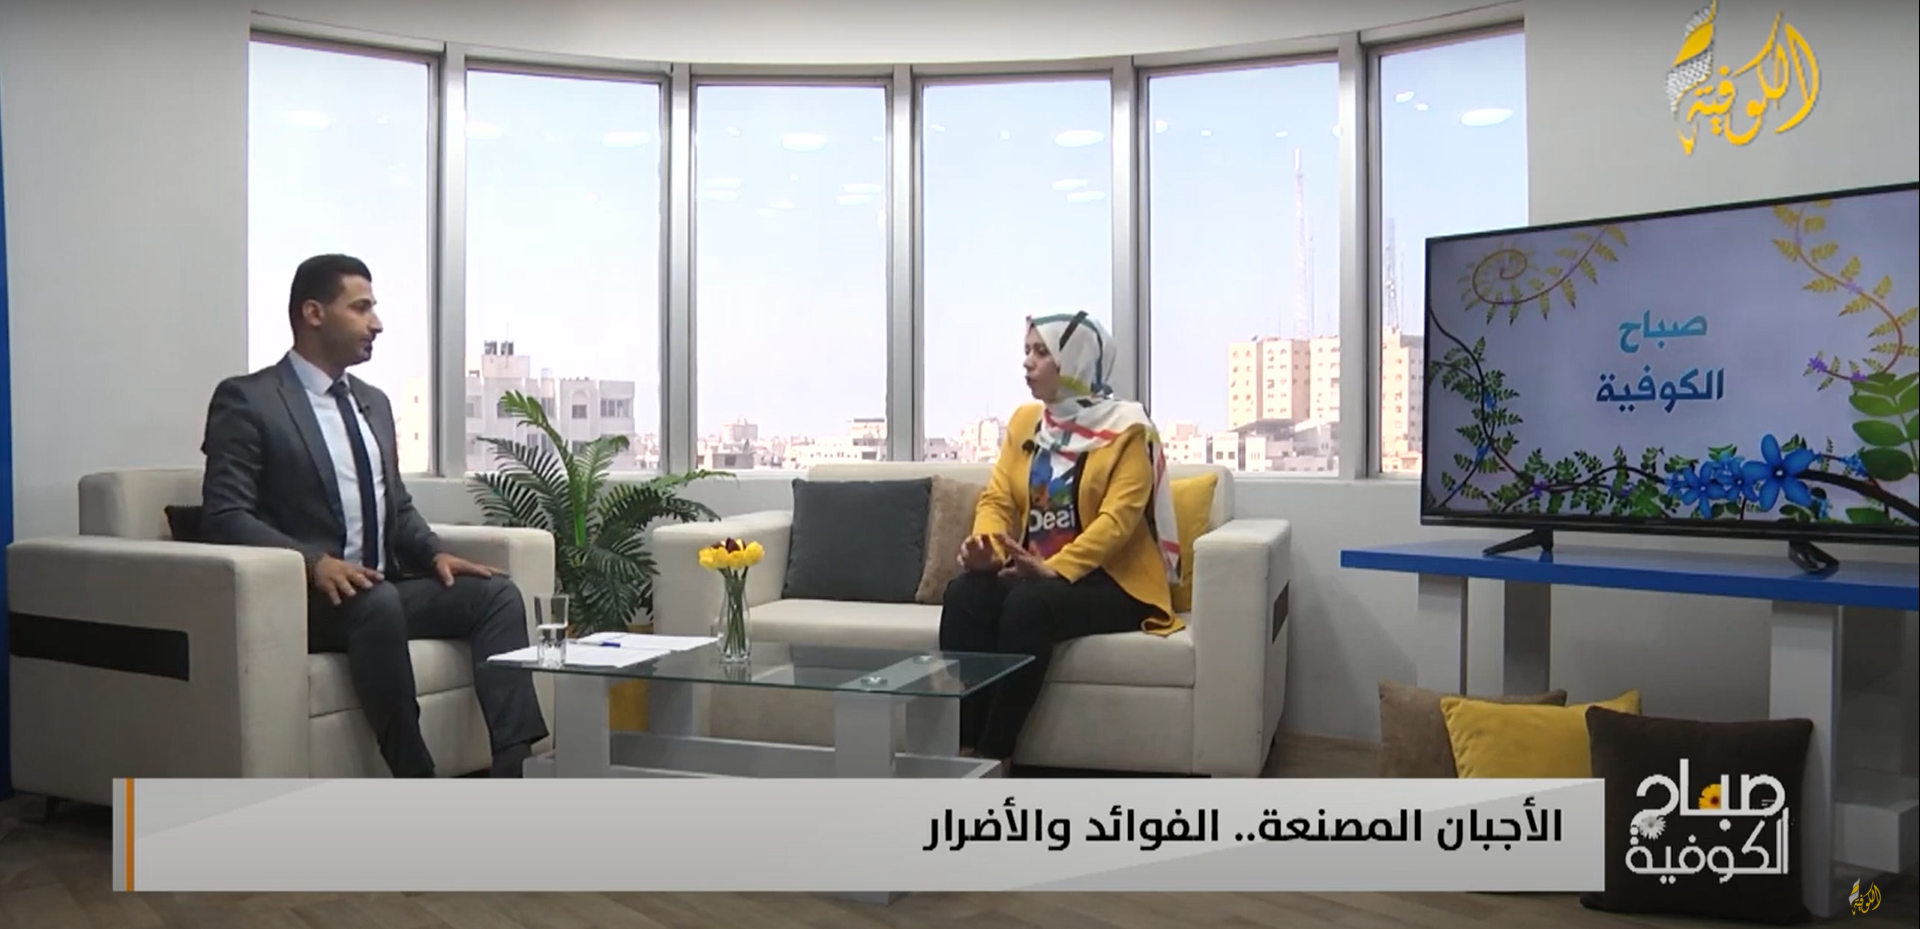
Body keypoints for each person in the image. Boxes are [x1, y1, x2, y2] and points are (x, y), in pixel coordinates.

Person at [198, 254, 547, 778]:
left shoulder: (374, 404)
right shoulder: (249, 400)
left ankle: (515, 771)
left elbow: (395, 504)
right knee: (376, 602)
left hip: (379, 590)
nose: (376, 324)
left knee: (496, 594)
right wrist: (312, 562)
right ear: (313, 313)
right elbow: (224, 515)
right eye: (361, 308)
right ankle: (415, 776)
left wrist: (434, 553)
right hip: (305, 600)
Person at [939, 311, 1186, 763]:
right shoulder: (1025, 423)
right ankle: (962, 746)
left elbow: (1118, 520)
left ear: (1074, 361)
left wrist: (1054, 569)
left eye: (1041, 352)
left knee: (1027, 606)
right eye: (1026, 351)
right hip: (1034, 575)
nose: (1027, 362)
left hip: (1111, 582)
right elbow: (997, 499)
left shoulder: (1128, 429)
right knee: (965, 593)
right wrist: (987, 548)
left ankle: (995, 756)